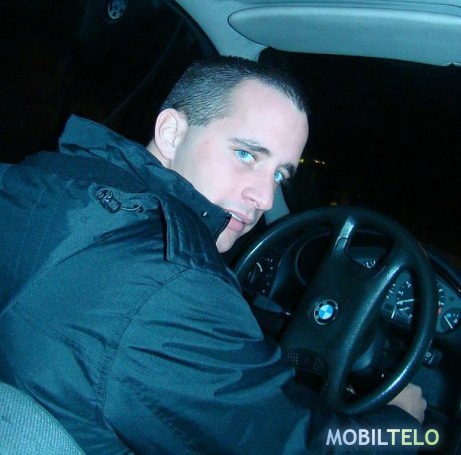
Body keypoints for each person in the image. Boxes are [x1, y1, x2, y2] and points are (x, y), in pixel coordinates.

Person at [0, 57, 425, 453]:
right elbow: (293, 443)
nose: (264, 198)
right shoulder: (172, 286)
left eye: (279, 174)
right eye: (246, 154)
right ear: (171, 134)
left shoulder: (41, 183)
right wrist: (402, 426)